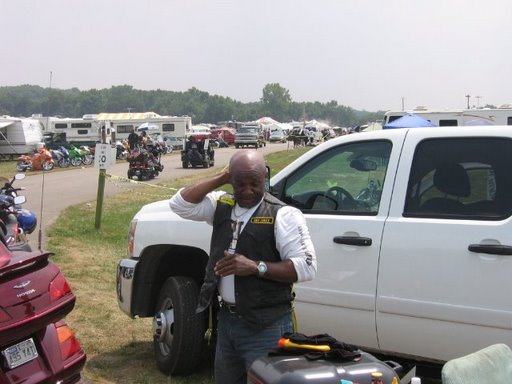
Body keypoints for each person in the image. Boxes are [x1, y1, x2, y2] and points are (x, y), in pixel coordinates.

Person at [169, 150, 317, 384]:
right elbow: (180, 204)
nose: (247, 191)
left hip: (266, 326)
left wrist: (255, 267)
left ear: (265, 177)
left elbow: (307, 267)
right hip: (227, 323)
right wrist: (220, 178)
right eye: (239, 184)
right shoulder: (222, 205)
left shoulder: (284, 215)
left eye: (255, 183)